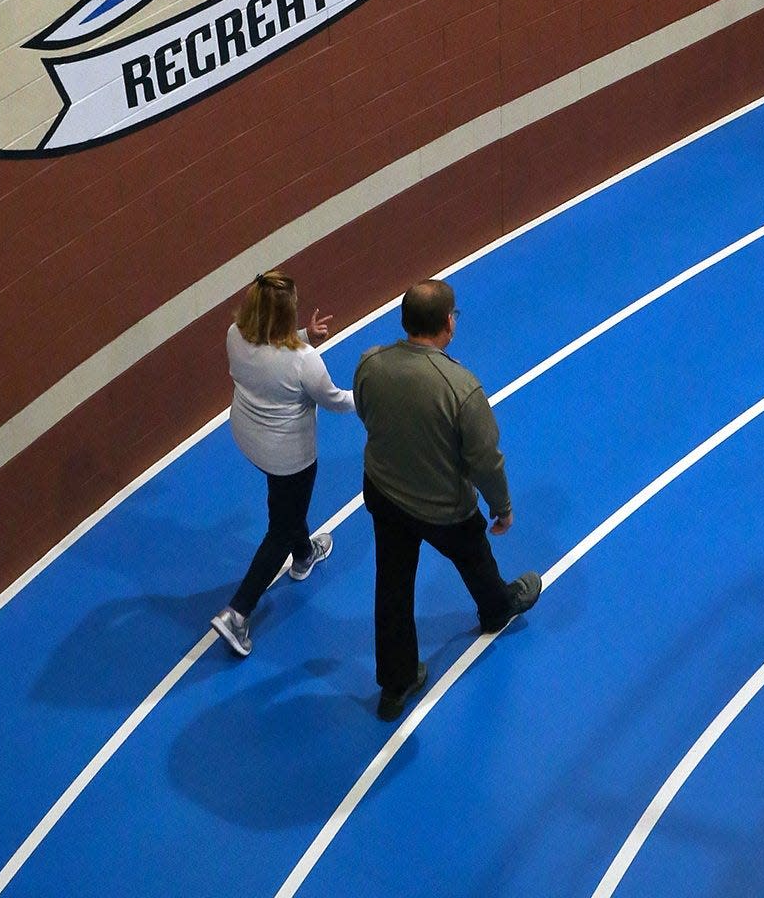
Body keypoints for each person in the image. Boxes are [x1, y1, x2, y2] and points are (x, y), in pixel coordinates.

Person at [353, 278, 542, 720]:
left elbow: (367, 413)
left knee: (393, 584)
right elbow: (485, 460)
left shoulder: (370, 364)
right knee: (476, 557)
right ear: (446, 324)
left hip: (384, 492)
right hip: (442, 508)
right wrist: (502, 506)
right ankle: (497, 610)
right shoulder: (460, 387)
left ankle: (395, 686)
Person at [211, 270, 355, 657]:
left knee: (286, 507)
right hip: (289, 455)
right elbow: (335, 400)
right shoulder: (304, 362)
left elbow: (267, 360)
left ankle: (305, 555)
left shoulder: (234, 335)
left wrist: (306, 337)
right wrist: (370, 394)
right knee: (282, 525)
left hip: (247, 437)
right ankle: (237, 612)